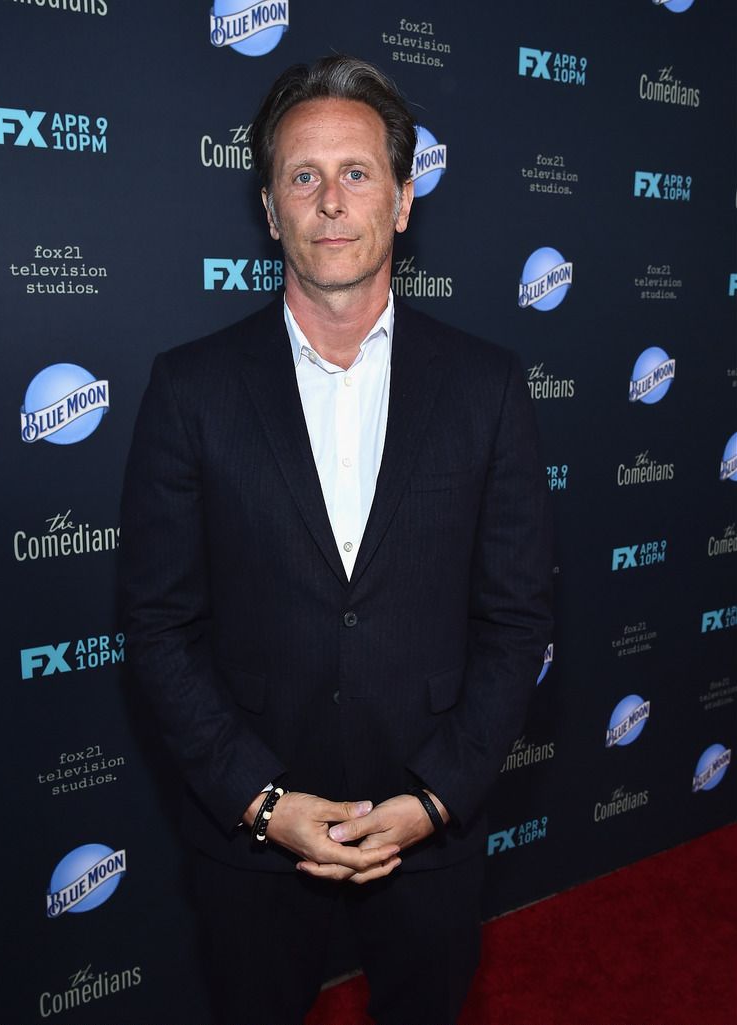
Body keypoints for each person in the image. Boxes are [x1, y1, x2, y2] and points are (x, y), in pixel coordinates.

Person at [119, 54, 552, 1025]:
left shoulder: (487, 388)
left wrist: (436, 799)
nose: (330, 201)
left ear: (403, 199)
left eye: (357, 172)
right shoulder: (190, 388)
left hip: (429, 830)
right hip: (251, 839)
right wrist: (264, 803)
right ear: (270, 210)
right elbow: (156, 625)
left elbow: (518, 619)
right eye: (302, 176)